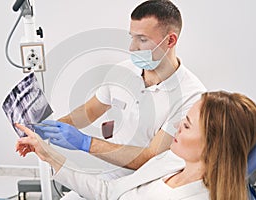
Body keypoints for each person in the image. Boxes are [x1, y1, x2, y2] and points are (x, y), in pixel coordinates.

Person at [33, 0, 205, 178]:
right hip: (110, 175)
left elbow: (153, 156)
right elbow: (90, 110)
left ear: (170, 40)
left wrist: (86, 143)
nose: (132, 47)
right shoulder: (123, 71)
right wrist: (47, 129)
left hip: (151, 184)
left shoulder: (191, 96)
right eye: (132, 37)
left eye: (142, 39)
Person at [15, 91, 256, 199]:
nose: (176, 125)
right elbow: (109, 192)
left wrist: (86, 143)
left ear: (213, 145)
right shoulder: (173, 162)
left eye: (187, 125)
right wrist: (47, 155)